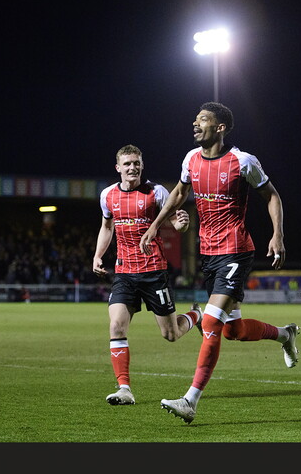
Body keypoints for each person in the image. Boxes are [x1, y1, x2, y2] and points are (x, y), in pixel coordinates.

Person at [139, 102, 298, 424]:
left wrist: (277, 235)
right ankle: (285, 334)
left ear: (220, 127)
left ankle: (190, 400)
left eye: (203, 121)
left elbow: (272, 196)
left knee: (210, 323)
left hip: (236, 250)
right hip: (209, 254)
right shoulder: (190, 159)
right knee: (233, 331)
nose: (195, 125)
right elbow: (180, 192)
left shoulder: (242, 161)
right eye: (195, 120)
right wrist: (156, 225)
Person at [93, 144, 203, 406]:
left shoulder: (156, 192)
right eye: (128, 163)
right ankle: (124, 389)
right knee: (116, 325)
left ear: (142, 165)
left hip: (154, 272)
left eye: (137, 163)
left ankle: (196, 314)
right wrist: (98, 255)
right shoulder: (107, 195)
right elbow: (106, 227)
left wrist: (182, 224)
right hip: (124, 273)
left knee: (171, 334)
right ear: (118, 167)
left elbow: (175, 222)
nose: (133, 167)